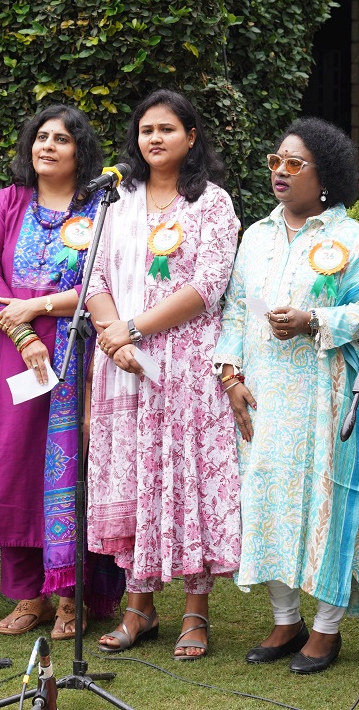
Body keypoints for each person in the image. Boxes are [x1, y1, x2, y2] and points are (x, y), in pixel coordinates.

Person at [213, 116, 359, 675]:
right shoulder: (257, 235)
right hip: (264, 394)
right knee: (268, 500)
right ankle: (285, 618)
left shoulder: (353, 241)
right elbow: (237, 309)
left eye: (294, 164)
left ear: (325, 176)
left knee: (331, 504)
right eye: (275, 161)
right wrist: (230, 376)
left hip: (329, 397)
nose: (280, 171)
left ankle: (326, 629)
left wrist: (313, 319)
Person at [86, 90, 241, 661]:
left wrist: (131, 328)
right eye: (146, 129)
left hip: (187, 369)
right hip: (124, 369)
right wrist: (113, 335)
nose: (155, 139)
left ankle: (196, 613)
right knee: (133, 480)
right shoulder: (117, 202)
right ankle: (139, 608)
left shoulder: (213, 204)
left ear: (192, 137)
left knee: (187, 480)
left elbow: (208, 286)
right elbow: (94, 275)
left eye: (168, 129)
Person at [0, 104, 124, 639]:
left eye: (62, 139)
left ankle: (71, 596)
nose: (49, 146)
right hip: (13, 355)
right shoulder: (7, 203)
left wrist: (39, 310)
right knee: (14, 470)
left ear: (80, 151)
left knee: (72, 470)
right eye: (41, 137)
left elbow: (107, 279)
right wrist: (22, 335)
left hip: (80, 352)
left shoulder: (103, 207)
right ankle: (28, 596)